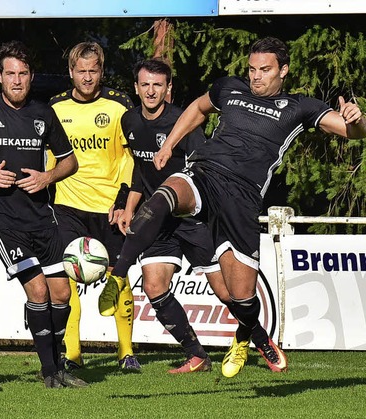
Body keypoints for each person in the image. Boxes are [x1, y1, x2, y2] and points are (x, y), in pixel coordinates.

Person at [108, 37, 366, 377]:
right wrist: (169, 145)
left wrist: (357, 118)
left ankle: (252, 335)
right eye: (252, 69)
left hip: (243, 199)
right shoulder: (230, 89)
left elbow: (354, 133)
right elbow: (199, 108)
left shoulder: (300, 106)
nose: (256, 77)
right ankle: (119, 272)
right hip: (206, 174)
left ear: (283, 70)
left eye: (265, 70)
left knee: (241, 297)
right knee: (166, 193)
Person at [0, 41, 82, 388]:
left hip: (42, 218)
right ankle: (49, 372)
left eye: (22, 73)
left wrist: (48, 176)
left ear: (31, 77)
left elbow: (70, 160)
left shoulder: (43, 113)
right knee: (38, 290)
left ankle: (59, 366)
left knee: (62, 294)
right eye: (10, 73)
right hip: (4, 221)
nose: (16, 80)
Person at [118, 58, 245, 373]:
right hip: (158, 221)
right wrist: (130, 206)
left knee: (226, 291)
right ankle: (197, 355)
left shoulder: (183, 122)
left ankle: (261, 338)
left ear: (168, 88)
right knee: (154, 285)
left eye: (157, 85)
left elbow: (204, 167)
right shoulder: (128, 121)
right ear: (136, 87)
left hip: (192, 218)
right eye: (145, 84)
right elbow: (140, 168)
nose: (150, 91)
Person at [48, 41, 138, 371]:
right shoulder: (55, 106)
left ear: (101, 72)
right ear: (71, 72)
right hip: (68, 204)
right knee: (68, 278)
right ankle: (73, 354)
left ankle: (126, 352)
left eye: (93, 71)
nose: (87, 77)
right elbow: (49, 158)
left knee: (119, 277)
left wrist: (123, 201)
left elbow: (132, 158)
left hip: (111, 206)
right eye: (81, 71)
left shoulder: (119, 104)